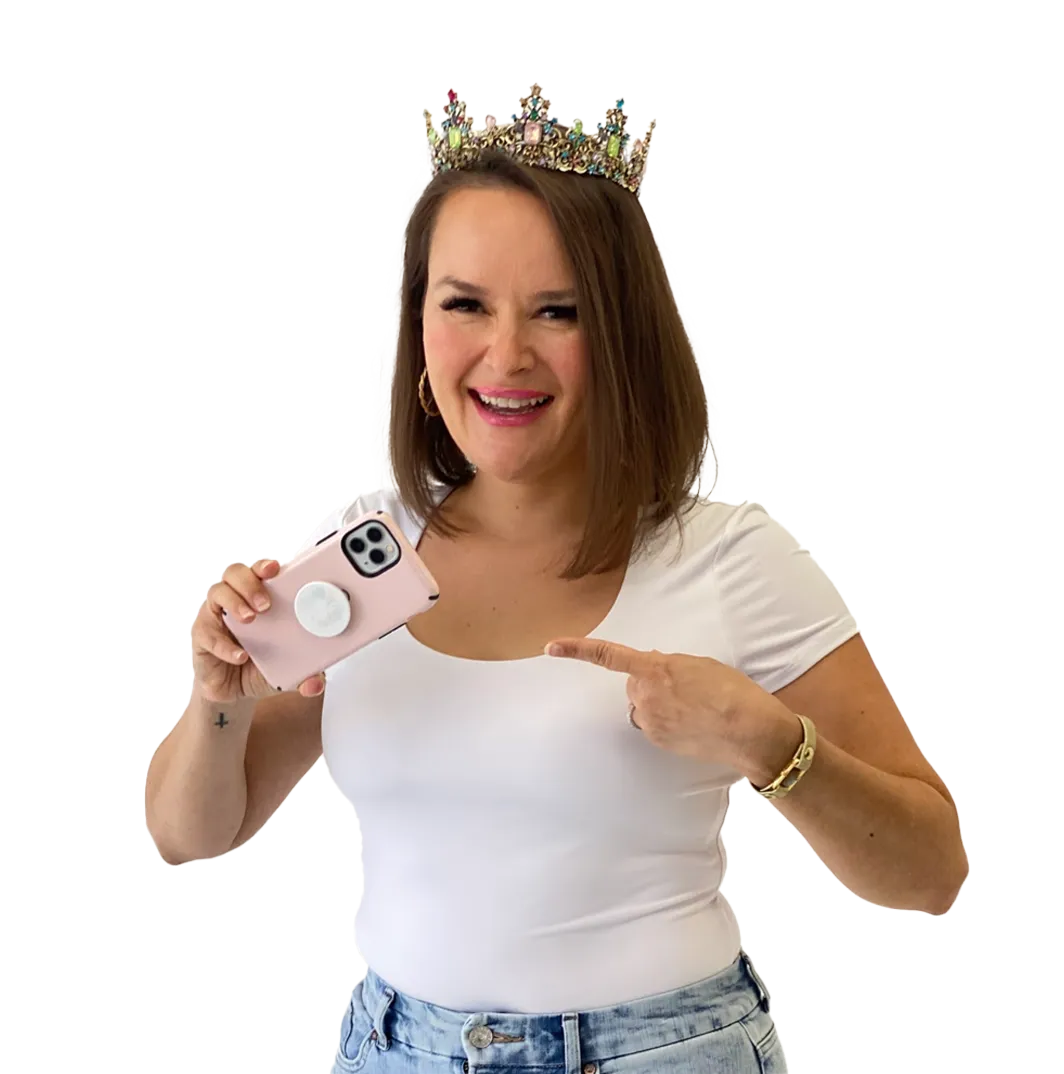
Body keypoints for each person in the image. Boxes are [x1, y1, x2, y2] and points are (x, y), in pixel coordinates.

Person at [145, 82, 969, 1074]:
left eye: (557, 311)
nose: (504, 354)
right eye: (464, 305)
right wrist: (217, 703)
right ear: (418, 329)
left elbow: (929, 873)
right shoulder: (365, 552)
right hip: (394, 1048)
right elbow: (191, 832)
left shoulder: (729, 559)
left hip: (657, 1052)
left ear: (619, 338)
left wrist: (767, 741)